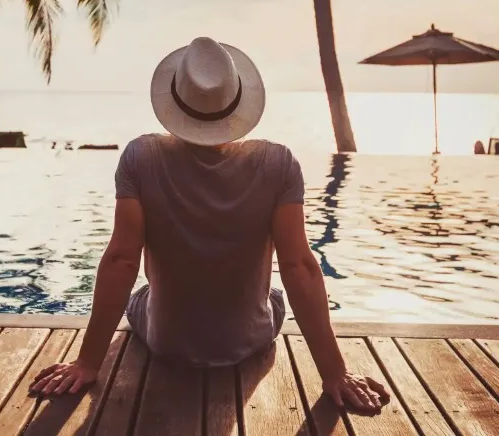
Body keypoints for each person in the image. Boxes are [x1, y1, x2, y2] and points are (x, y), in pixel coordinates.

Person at [30, 37, 390, 413]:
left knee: (142, 294)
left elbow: (122, 260)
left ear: (174, 99)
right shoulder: (279, 164)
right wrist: (335, 373)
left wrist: (87, 363)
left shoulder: (140, 157)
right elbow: (299, 267)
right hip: (249, 340)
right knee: (277, 297)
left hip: (165, 340)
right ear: (237, 102)